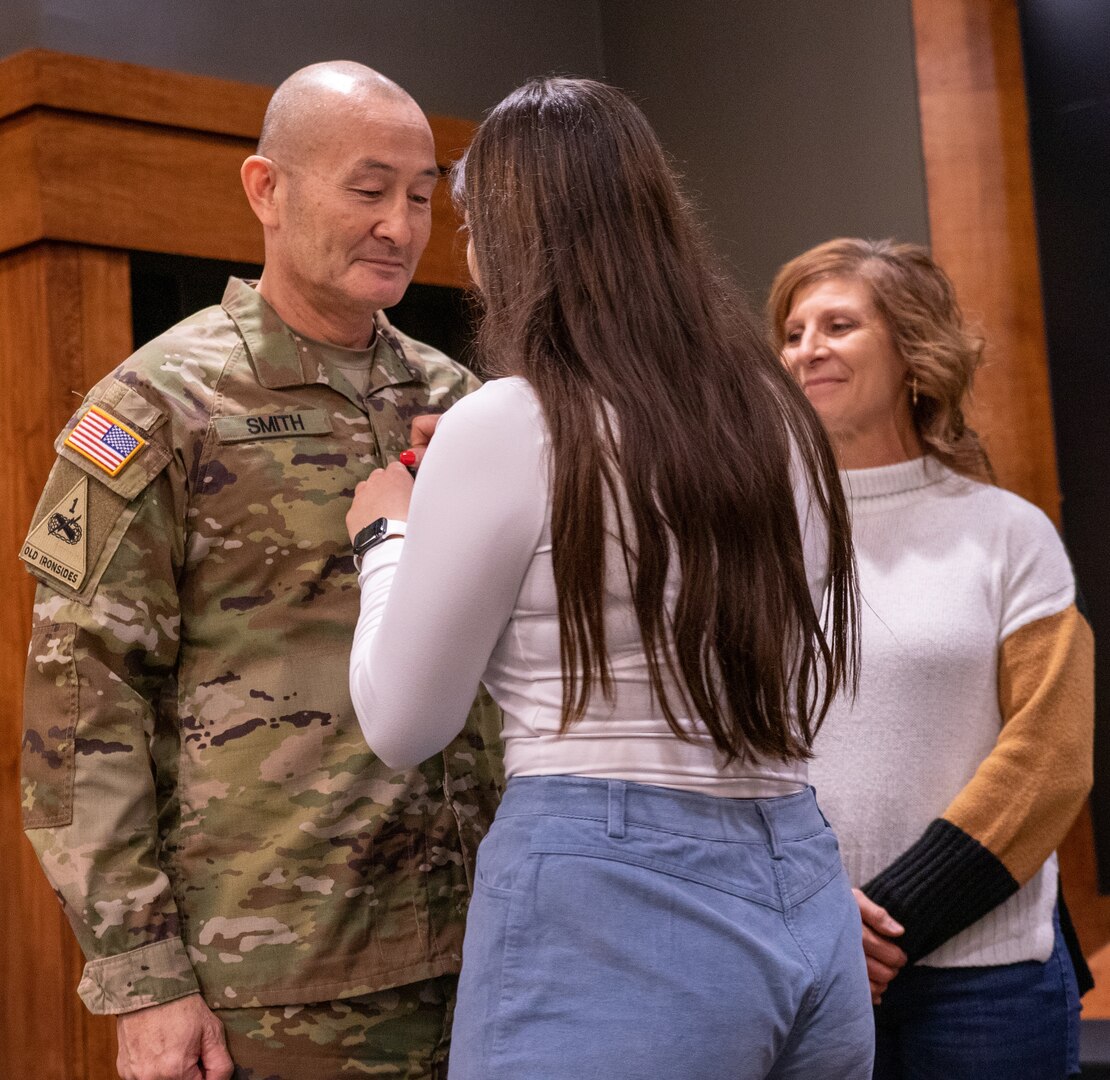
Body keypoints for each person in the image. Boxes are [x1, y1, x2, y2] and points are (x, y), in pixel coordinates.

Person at [344, 77, 873, 1079]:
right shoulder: (778, 414)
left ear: (513, 236)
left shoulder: (505, 422)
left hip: (611, 900)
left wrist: (388, 541)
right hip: (803, 888)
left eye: (471, 224)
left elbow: (403, 723)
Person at [19, 62, 501, 1080]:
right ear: (266, 190)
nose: (401, 225)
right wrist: (143, 976)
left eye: (421, 196)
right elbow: (80, 709)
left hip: (492, 948)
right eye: (368, 190)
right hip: (281, 978)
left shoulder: (462, 401)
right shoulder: (158, 406)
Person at [769, 237, 1094, 1079]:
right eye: (793, 330)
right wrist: (820, 929)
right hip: (799, 969)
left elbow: (1049, 760)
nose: (808, 347)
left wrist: (887, 924)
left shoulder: (1007, 534)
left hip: (987, 987)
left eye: (838, 324)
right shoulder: (748, 541)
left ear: (914, 350)